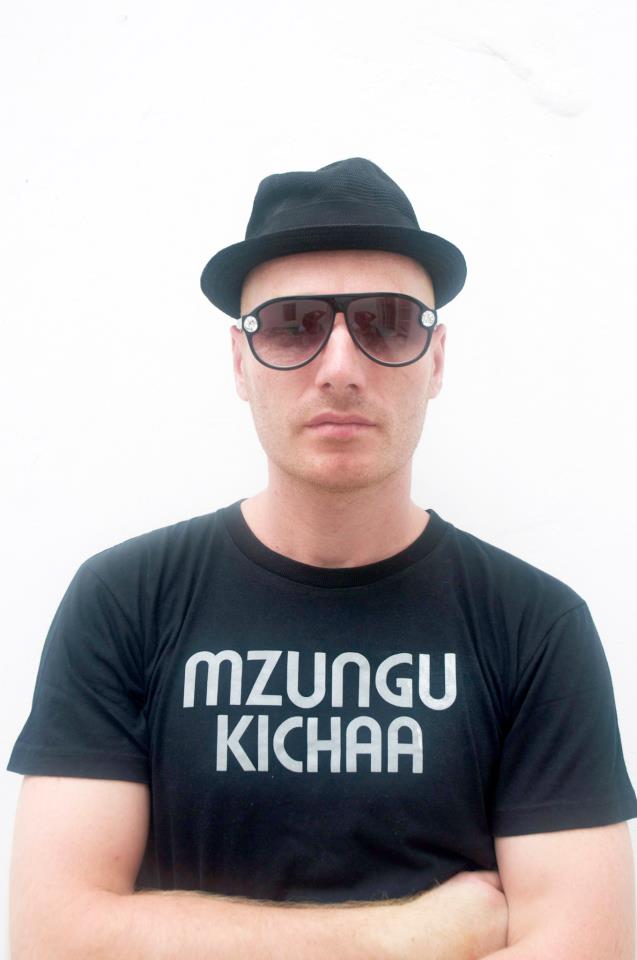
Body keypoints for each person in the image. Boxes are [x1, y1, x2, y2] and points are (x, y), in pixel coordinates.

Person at [7, 157, 636, 959]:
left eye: (386, 322)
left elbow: (584, 948)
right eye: (293, 324)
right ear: (240, 362)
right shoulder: (125, 600)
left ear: (436, 359)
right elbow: (55, 939)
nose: (340, 368)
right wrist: (408, 938)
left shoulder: (533, 626)